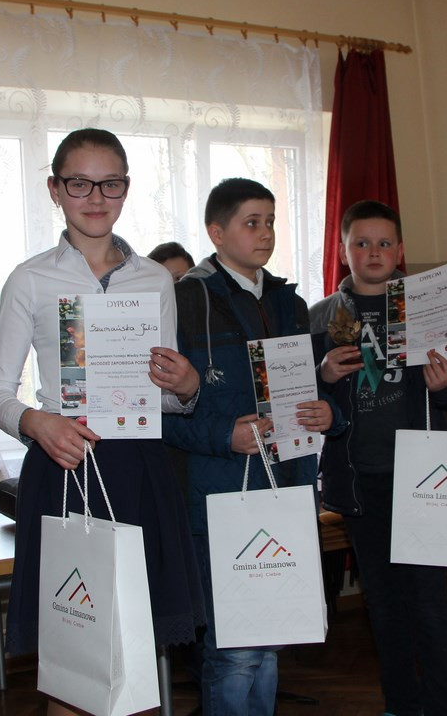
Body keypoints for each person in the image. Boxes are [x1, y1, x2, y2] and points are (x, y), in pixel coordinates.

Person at [0, 128, 206, 716]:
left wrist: (186, 388)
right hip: (64, 467)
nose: (96, 197)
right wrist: (36, 423)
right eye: (80, 183)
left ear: (126, 189)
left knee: (138, 656)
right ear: (55, 189)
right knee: (74, 653)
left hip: (140, 468)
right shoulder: (30, 279)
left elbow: (161, 397)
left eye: (111, 184)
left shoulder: (154, 279)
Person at [161, 177, 344, 716]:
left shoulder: (291, 302)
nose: (266, 233)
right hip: (222, 498)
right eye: (251, 223)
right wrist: (225, 435)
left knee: (270, 644)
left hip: (287, 489)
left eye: (270, 222)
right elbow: (158, 418)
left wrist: (328, 411)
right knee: (236, 650)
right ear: (216, 233)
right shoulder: (184, 302)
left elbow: (303, 391)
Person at [309, 199, 447, 716]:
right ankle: (401, 703)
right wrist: (322, 375)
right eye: (361, 243)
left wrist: (445, 385)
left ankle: (443, 706)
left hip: (422, 479)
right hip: (361, 481)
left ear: (400, 250)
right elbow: (302, 401)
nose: (374, 252)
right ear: (343, 251)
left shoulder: (427, 306)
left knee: (428, 600)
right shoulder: (322, 317)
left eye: (384, 243)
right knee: (382, 603)